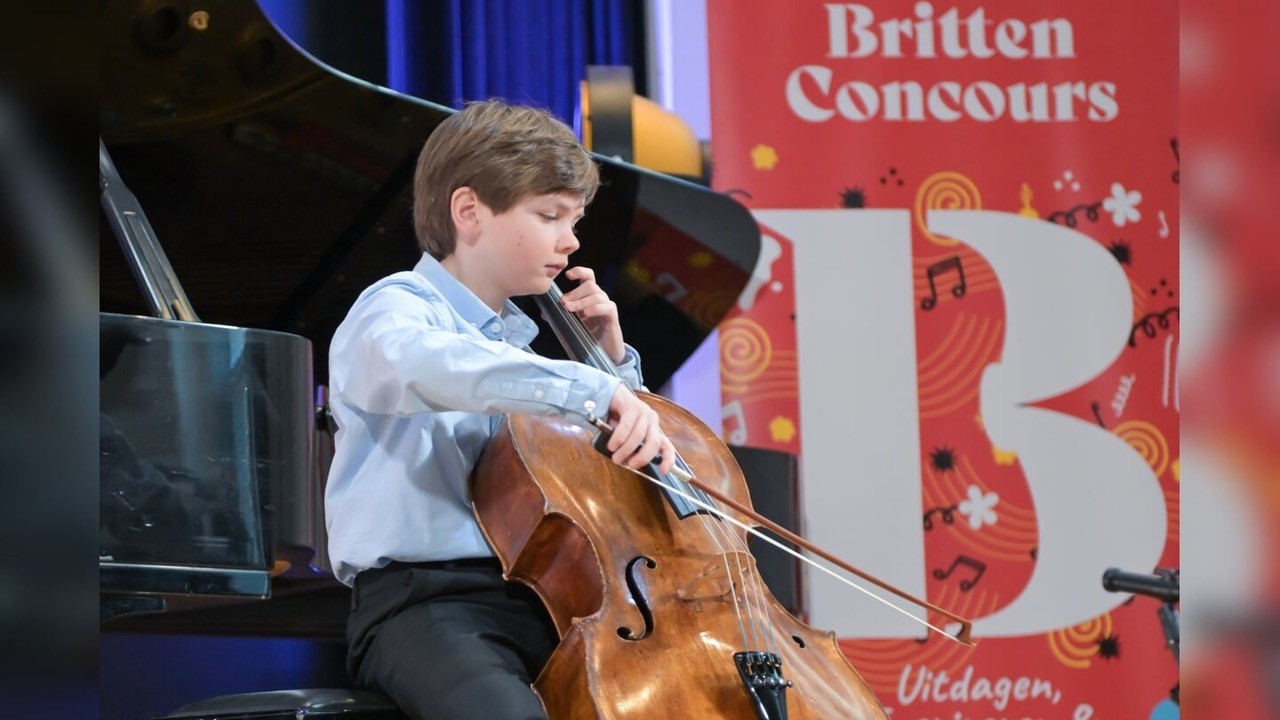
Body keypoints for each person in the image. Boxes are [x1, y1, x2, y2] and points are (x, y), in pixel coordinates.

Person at [323, 98, 676, 720]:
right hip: (423, 608)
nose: (570, 241)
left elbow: (642, 485)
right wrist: (591, 388)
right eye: (550, 215)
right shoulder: (395, 309)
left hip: (551, 601)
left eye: (575, 219)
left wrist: (614, 366)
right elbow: (426, 362)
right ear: (469, 212)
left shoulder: (525, 353)